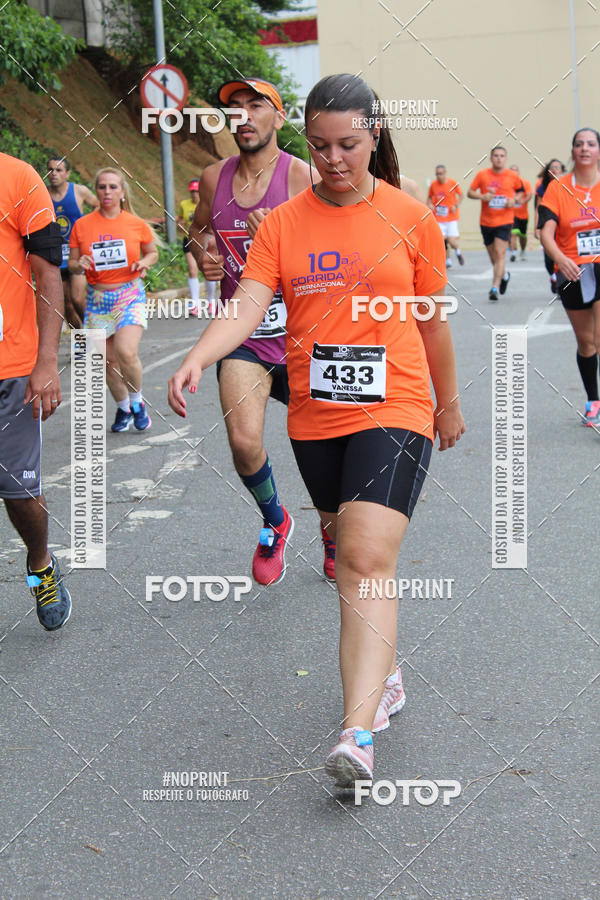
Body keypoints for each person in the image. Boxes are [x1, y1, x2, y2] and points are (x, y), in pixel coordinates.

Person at [169, 73, 465, 787]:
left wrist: (447, 404)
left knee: (364, 557)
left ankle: (356, 731)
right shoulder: (283, 223)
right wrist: (199, 353)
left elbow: (431, 320)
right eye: (322, 146)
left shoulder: (410, 217)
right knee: (343, 547)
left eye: (350, 145)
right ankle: (384, 674)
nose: (334, 160)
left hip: (395, 407)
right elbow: (247, 306)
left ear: (375, 136)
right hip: (315, 415)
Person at [188, 77, 336, 585]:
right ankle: (276, 520)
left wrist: (285, 238)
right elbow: (200, 230)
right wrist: (205, 253)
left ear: (278, 117)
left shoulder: (302, 177)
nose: (244, 117)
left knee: (323, 450)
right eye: (237, 109)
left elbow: (335, 255)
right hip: (243, 334)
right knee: (244, 440)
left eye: (257, 107)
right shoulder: (213, 177)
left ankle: (332, 532)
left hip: (303, 337)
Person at [0, 151, 72, 630]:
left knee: (18, 492)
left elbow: (48, 273)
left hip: (12, 366)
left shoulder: (18, 177)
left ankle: (41, 563)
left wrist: (47, 360)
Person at [69, 167, 158, 432]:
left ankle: (138, 402)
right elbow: (72, 264)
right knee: (107, 362)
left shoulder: (135, 223)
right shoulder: (82, 225)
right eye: (102, 187)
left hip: (129, 295)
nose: (107, 191)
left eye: (112, 187)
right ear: (96, 191)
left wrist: (144, 262)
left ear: (122, 192)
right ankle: (123, 408)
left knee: (126, 351)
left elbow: (152, 252)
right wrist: (79, 264)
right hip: (98, 300)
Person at [539, 128, 600, 427]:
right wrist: (560, 259)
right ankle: (593, 400)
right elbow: (545, 231)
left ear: (599, 150)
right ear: (572, 151)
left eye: (591, 144)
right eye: (579, 144)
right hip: (573, 270)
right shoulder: (558, 188)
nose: (585, 149)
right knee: (586, 342)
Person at [47, 156, 99, 329]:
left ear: (67, 174)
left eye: (58, 170)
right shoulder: (43, 194)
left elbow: (99, 206)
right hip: (56, 255)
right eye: (50, 170)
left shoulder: (79, 191)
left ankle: (95, 334)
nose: (53, 173)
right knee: (66, 305)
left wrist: (90, 229)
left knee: (77, 298)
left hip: (77, 253)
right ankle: (81, 345)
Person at [468, 147, 524, 301]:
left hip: (504, 221)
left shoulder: (512, 175)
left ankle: (494, 287)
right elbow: (470, 192)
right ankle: (504, 275)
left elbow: (521, 191)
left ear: (506, 158)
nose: (499, 158)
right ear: (491, 158)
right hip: (486, 222)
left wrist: (515, 199)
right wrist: (482, 196)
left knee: (500, 254)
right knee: (494, 258)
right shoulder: (482, 175)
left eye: (502, 156)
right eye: (496, 156)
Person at [176, 179, 216, 315]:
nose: (194, 195)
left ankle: (211, 301)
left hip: (206, 240)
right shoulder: (184, 204)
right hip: (189, 240)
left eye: (196, 191)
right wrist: (180, 224)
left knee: (207, 271)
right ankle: (195, 304)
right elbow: (181, 220)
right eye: (192, 192)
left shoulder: (208, 203)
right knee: (192, 270)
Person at [535, 159, 566, 294]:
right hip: (548, 223)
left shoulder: (568, 185)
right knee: (549, 257)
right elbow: (538, 208)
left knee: (563, 253)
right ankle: (553, 276)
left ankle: (561, 283)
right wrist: (536, 227)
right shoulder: (542, 187)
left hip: (563, 225)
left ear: (562, 171)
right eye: (552, 168)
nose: (555, 170)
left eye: (557, 168)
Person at [427, 164, 464, 267]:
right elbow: (429, 198)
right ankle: (448, 261)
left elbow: (461, 195)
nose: (439, 176)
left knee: (452, 241)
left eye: (441, 174)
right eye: (437, 174)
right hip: (438, 217)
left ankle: (458, 252)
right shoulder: (433, 185)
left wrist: (455, 205)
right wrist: (430, 205)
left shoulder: (453, 183)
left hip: (451, 217)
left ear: (445, 173)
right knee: (442, 241)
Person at [509, 165, 532, 261]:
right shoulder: (507, 184)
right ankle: (513, 252)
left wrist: (523, 201)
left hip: (523, 215)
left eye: (516, 171)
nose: (514, 173)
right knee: (513, 233)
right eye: (512, 171)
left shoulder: (525, 183)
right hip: (511, 214)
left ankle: (522, 251)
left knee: (522, 235)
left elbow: (529, 194)